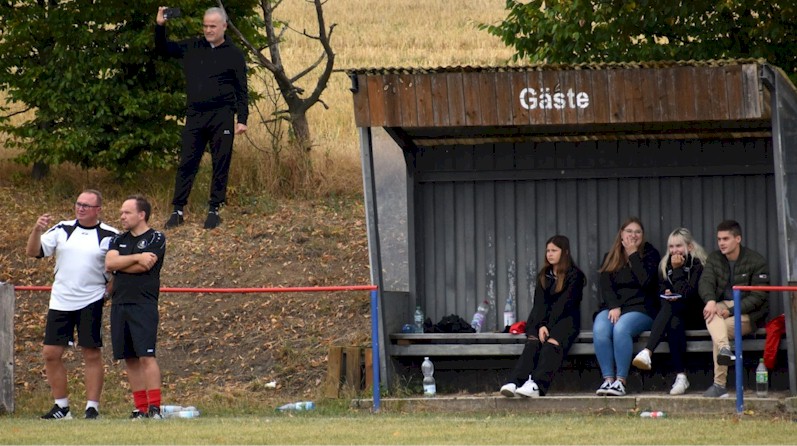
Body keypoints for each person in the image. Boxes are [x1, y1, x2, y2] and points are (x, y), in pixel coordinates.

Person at [25, 190, 118, 419]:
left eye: (87, 205)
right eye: (78, 203)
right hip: (61, 300)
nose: (81, 208)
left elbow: (119, 270)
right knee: (51, 353)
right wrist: (36, 230)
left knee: (91, 353)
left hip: (91, 300)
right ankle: (62, 407)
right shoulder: (62, 229)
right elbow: (33, 251)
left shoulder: (110, 235)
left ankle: (92, 408)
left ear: (98, 210)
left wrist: (107, 293)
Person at [155, 6, 249, 230]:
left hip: (222, 115)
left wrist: (242, 119)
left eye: (213, 26)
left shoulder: (234, 54)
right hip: (196, 115)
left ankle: (214, 209)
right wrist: (160, 25)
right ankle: (178, 210)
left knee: (221, 162)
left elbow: (241, 90)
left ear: (224, 26)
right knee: (187, 162)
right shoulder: (193, 46)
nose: (208, 30)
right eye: (205, 26)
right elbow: (163, 49)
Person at [500, 235, 586, 397]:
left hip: (566, 320)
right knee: (532, 344)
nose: (550, 254)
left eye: (554, 250)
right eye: (548, 251)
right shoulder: (544, 274)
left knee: (551, 345)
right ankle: (515, 382)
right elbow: (539, 304)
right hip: (542, 320)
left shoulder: (575, 275)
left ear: (565, 252)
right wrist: (540, 325)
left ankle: (537, 385)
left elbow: (564, 304)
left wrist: (547, 326)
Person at [105, 195, 167, 418]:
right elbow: (110, 263)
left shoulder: (156, 237)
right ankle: (140, 408)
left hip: (143, 304)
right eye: (121, 212)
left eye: (127, 212)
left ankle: (154, 408)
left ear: (141, 215)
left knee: (146, 356)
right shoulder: (117, 239)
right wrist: (137, 257)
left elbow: (145, 267)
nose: (122, 216)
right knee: (129, 358)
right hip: (119, 303)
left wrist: (123, 264)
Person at [631, 228, 707, 395]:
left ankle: (648, 351)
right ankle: (681, 376)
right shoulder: (665, 265)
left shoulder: (698, 265)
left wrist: (678, 270)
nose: (674, 250)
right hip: (675, 315)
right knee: (672, 318)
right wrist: (666, 293)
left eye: (678, 246)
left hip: (696, 314)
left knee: (672, 308)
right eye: (671, 246)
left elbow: (689, 294)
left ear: (689, 247)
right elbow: (661, 291)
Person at [698, 220, 769, 398]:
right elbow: (705, 282)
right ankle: (725, 349)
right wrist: (710, 301)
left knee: (718, 331)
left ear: (738, 239)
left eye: (726, 239)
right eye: (719, 239)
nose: (721, 243)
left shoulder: (756, 260)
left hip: (749, 314)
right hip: (721, 307)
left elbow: (758, 297)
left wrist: (731, 311)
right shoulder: (715, 258)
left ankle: (719, 385)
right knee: (712, 315)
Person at [593, 217, 661, 396]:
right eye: (629, 231)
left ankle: (621, 381)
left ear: (642, 236)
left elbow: (647, 283)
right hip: (615, 308)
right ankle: (608, 380)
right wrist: (613, 305)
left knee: (621, 328)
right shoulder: (611, 256)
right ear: (621, 234)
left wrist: (633, 255)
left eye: (637, 232)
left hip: (641, 309)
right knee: (600, 327)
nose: (633, 235)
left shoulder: (650, 254)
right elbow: (605, 286)